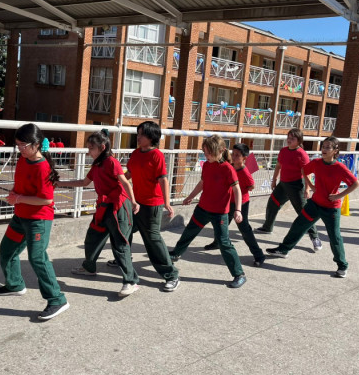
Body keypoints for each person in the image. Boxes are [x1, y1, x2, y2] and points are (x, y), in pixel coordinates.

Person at [0, 124, 69, 321]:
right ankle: (15, 285)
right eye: (17, 145)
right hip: (20, 216)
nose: (20, 149)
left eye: (23, 145)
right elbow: (21, 185)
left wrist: (18, 198)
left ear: (36, 144)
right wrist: (15, 194)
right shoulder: (23, 159)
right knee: (7, 250)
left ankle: (57, 299)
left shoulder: (43, 167)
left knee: (37, 258)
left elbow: (46, 200)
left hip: (38, 220)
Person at [56, 130, 141, 297]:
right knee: (92, 237)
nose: (89, 152)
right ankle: (89, 267)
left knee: (120, 245)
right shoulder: (96, 164)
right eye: (88, 148)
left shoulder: (112, 162)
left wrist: (133, 201)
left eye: (91, 148)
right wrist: (60, 183)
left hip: (118, 207)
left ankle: (131, 282)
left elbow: (125, 183)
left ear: (102, 147)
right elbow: (84, 182)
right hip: (103, 206)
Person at [266, 137, 359, 278]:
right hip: (314, 204)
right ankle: (283, 250)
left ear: (335, 151)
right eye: (323, 146)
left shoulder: (339, 167)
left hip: (331, 208)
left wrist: (339, 196)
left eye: (328, 147)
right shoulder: (316, 163)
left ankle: (342, 265)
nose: (324, 149)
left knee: (334, 237)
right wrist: (311, 186)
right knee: (298, 225)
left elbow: (355, 183)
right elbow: (304, 170)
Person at [107, 121, 180, 292]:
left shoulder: (157, 155)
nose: (138, 137)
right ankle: (124, 260)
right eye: (138, 134)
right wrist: (115, 182)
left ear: (152, 137)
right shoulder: (136, 153)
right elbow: (129, 174)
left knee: (152, 240)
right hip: (135, 203)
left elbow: (163, 180)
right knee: (123, 231)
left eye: (142, 135)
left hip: (152, 205)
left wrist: (167, 203)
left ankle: (171, 275)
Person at [168, 135, 247, 288]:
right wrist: (190, 197)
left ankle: (239, 274)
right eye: (205, 152)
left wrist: (238, 210)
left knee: (224, 242)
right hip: (203, 209)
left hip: (220, 213)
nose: (206, 155)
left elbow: (237, 189)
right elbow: (202, 183)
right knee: (189, 232)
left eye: (209, 152)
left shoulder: (228, 168)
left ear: (221, 150)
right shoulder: (206, 165)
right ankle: (176, 254)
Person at [255, 128, 321, 251]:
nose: (289, 140)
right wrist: (274, 180)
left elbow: (308, 173)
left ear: (299, 141)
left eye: (292, 138)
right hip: (283, 184)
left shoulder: (302, 154)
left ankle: (315, 237)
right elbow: (278, 166)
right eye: (288, 138)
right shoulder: (283, 151)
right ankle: (267, 227)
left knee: (304, 213)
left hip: (297, 186)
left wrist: (307, 189)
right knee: (272, 203)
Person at [203, 143, 266, 268]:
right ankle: (217, 243)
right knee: (221, 224)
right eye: (233, 154)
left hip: (241, 204)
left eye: (237, 155)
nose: (234, 156)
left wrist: (241, 192)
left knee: (244, 229)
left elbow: (251, 186)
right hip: (229, 202)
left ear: (244, 158)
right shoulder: (230, 166)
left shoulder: (244, 172)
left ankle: (259, 255)